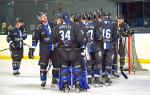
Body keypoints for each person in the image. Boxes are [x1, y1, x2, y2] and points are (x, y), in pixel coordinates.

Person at [50, 12, 89, 92]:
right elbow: (80, 38)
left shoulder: (57, 27)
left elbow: (52, 40)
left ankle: (65, 85)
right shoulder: (75, 26)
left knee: (64, 68)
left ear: (62, 18)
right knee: (77, 67)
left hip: (62, 51)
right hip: (74, 51)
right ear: (69, 17)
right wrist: (82, 47)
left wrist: (59, 44)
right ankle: (78, 85)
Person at [28, 11, 54, 88]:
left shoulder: (52, 24)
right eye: (42, 17)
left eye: (45, 15)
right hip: (44, 49)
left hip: (54, 48)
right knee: (43, 66)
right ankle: (43, 81)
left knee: (56, 65)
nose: (44, 17)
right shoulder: (38, 28)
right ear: (40, 18)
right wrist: (32, 49)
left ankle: (55, 80)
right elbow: (35, 39)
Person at [99, 12, 118, 86]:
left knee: (102, 61)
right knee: (109, 62)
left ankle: (102, 75)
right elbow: (115, 36)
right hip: (110, 45)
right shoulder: (113, 24)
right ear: (109, 16)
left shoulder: (100, 23)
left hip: (101, 45)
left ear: (103, 16)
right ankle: (108, 77)